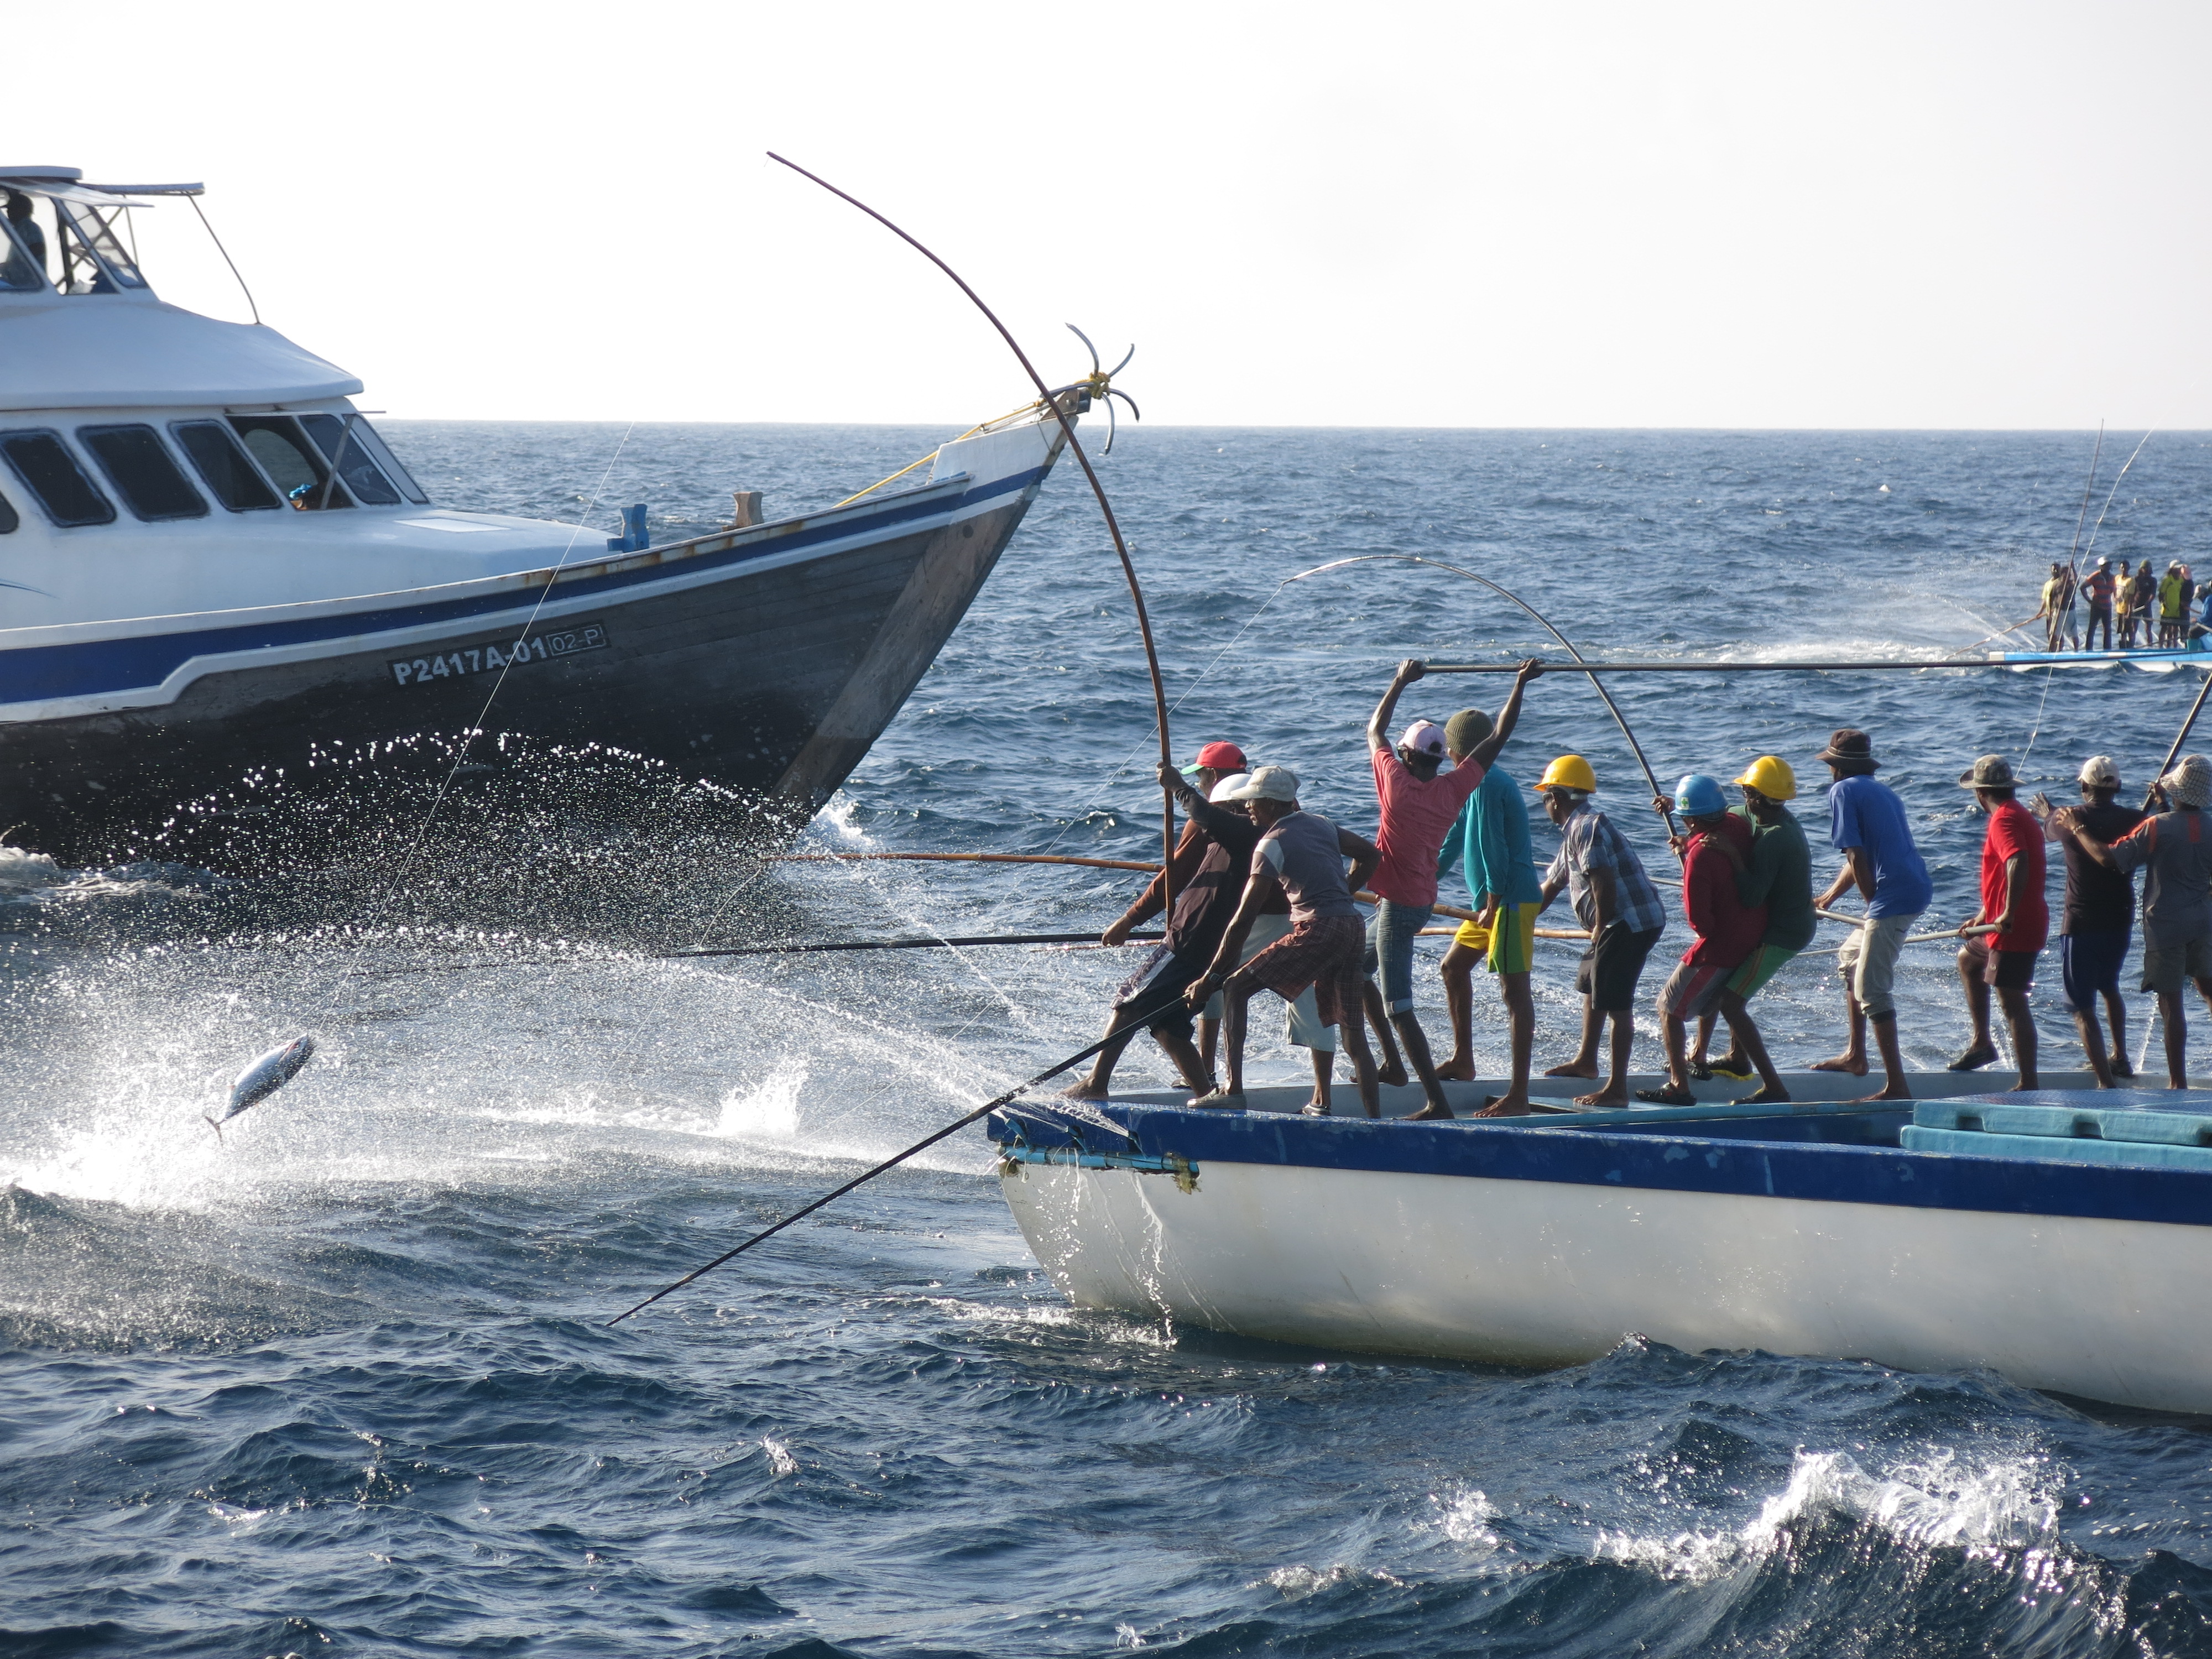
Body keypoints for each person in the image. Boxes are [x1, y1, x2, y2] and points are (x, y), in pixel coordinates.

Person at [1358, 658, 1541, 1121]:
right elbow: (1500, 735)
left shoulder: (1396, 784)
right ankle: (1402, 1065)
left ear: (1404, 757)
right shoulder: (1455, 788)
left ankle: (1436, 1103)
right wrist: (1519, 684)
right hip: (1414, 901)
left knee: (1399, 1006)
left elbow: (1375, 727)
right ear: (1444, 760)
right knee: (1358, 965)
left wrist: (1400, 681)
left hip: (1430, 906)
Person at [1187, 766, 1385, 1116]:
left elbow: (1243, 918)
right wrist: (1343, 893)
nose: (1248, 809)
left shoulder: (1271, 843)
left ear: (1273, 804)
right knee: (1352, 1031)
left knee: (1233, 987)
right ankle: (1372, 1119)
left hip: (1319, 930)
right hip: (1351, 925)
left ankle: (1232, 1088)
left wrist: (1209, 977)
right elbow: (1370, 855)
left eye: (1253, 803)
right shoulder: (1322, 823)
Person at [1065, 744, 1253, 1099]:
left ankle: (1096, 1083)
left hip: (1191, 938)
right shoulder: (1242, 825)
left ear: (1215, 781)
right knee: (1168, 1026)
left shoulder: (1236, 827)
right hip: (1207, 938)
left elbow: (1185, 858)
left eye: (1201, 777)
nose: (1200, 786)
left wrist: (1176, 786)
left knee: (1129, 1001)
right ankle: (1206, 1094)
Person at [2057, 756, 2212, 1089]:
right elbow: (2188, 834)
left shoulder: (2156, 826)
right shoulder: (2209, 825)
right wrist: (2162, 805)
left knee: (2171, 1004)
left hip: (2166, 925)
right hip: (2205, 922)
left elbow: (2108, 858)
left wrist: (2078, 828)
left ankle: (2178, 1083)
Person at [1533, 755, 1667, 1108]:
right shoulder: (1573, 831)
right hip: (1613, 922)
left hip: (1628, 922)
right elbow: (1552, 884)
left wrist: (1598, 928)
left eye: (1546, 796)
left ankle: (1617, 1090)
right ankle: (1587, 1061)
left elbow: (1602, 880)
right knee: (1591, 984)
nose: (1544, 803)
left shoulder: (1587, 826)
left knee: (1616, 1002)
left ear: (1557, 798)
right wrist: (1519, 916)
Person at [1809, 729, 1933, 1102]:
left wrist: (1871, 904)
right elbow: (1862, 852)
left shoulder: (1842, 791)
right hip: (1913, 884)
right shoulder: (1883, 791)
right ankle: (1856, 1056)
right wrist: (1828, 897)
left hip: (1892, 896)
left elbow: (1857, 857)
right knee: (1850, 959)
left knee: (1872, 990)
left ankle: (1897, 1086)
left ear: (1837, 768)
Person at [1688, 755, 1818, 1104]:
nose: (1744, 797)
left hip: (1783, 934)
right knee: (1725, 988)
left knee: (1731, 1003)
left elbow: (1751, 895)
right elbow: (1725, 813)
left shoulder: (1777, 837)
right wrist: (1685, 812)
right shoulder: (1756, 813)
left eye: (1747, 791)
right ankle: (1737, 1057)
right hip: (1769, 923)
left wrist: (1731, 854)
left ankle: (1775, 1088)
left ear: (1757, 796)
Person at [1434, 706, 1545, 1115]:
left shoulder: (1485, 784)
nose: (1447, 756)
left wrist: (1495, 901)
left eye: (1449, 749)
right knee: (1453, 968)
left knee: (1515, 994)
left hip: (1509, 901)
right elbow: (1455, 836)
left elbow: (1494, 848)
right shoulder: (1473, 783)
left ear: (1459, 750)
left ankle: (1518, 1094)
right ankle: (1464, 1061)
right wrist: (1425, 875)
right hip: (1490, 904)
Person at [1636, 775, 1767, 1106]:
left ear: (1690, 819)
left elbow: (1700, 921)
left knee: (1668, 1006)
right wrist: (1688, 839)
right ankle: (1698, 1055)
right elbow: (1711, 834)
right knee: (1709, 996)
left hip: (1721, 945)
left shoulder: (1699, 858)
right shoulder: (1738, 826)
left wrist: (1690, 849)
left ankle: (1679, 1086)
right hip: (1752, 936)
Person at [2029, 756, 2143, 1086]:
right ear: (2118, 787)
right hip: (2121, 918)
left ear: (2083, 786)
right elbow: (2148, 824)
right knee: (2110, 987)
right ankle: (2120, 1057)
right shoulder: (2136, 819)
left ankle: (2105, 1081)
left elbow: (2050, 828)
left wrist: (2048, 812)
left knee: (2081, 1006)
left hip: (2081, 921)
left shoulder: (2070, 818)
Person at [1948, 755, 2048, 1089]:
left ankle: (2028, 1082)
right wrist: (1984, 915)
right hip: (1999, 924)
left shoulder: (2003, 820)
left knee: (2012, 1000)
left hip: (2014, 927)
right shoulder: (2016, 814)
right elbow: (2001, 875)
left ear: (1980, 793)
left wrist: (2007, 912)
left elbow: (2017, 860)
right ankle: (1982, 1043)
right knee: (1968, 959)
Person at [0, 191, 44, 291]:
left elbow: (38, 249)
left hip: (28, 285)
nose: (8, 213)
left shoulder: (30, 227)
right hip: (17, 283)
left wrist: (12, 264)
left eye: (11, 210)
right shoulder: (18, 229)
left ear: (23, 210)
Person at [2083, 557, 2116, 652]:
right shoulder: (2095, 576)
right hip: (2096, 606)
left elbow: (2113, 591)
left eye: (2109, 564)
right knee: (2092, 628)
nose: (2109, 566)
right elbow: (2083, 587)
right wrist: (2089, 601)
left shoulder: (2112, 577)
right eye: (2106, 565)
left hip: (2107, 607)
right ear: (2101, 566)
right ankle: (2089, 650)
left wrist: (2116, 599)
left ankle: (2107, 650)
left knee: (2108, 629)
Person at [2037, 563, 2068, 653]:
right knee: (2050, 633)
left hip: (2057, 612)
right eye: (2053, 570)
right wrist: (2040, 613)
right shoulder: (2048, 584)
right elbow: (2045, 600)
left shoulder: (2062, 582)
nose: (2055, 571)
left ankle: (2059, 651)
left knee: (2058, 633)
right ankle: (2052, 651)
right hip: (2048, 613)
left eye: (2057, 570)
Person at [2160, 564, 2187, 650]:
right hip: (2167, 610)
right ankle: (2160, 648)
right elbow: (2161, 594)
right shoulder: (2167, 580)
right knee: (2164, 629)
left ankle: (2174, 647)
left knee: (2175, 630)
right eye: (2177, 568)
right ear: (2172, 569)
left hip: (2176, 610)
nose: (2179, 570)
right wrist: (2163, 604)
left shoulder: (2181, 580)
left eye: (2180, 568)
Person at [2115, 560, 2138, 649]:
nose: (2124, 569)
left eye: (2126, 568)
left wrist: (2129, 611)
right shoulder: (2117, 578)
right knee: (2122, 631)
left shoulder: (2131, 580)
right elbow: (2114, 589)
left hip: (2126, 609)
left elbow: (2131, 597)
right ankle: (2123, 648)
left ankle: (2131, 646)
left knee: (2128, 630)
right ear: (2120, 568)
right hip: (2119, 609)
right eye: (2122, 568)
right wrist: (2114, 597)